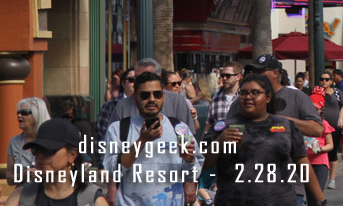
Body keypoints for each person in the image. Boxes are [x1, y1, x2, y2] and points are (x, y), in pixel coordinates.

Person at [204, 73, 327, 206]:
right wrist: (220, 141)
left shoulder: (286, 126)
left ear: (268, 97)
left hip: (279, 201)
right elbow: (203, 163)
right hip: (233, 200)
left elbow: (302, 164)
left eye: (255, 92)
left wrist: (321, 200)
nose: (248, 97)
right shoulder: (223, 127)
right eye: (243, 93)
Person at [102, 70, 202, 206]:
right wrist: (142, 141)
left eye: (157, 94)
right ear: (135, 98)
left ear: (164, 96)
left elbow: (195, 167)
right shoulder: (119, 128)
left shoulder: (180, 128)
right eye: (145, 95)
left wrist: (190, 160)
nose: (152, 99)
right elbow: (113, 171)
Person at [5, 119, 108, 206]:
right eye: (36, 150)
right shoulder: (21, 198)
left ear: (72, 155)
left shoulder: (91, 200)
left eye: (49, 150)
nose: (40, 156)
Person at [110, 60, 196, 136]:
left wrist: (184, 148)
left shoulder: (177, 102)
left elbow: (188, 139)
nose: (151, 99)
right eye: (139, 78)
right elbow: (111, 147)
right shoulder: (122, 107)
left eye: (157, 94)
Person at [7, 97, 50, 186]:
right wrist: (25, 174)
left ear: (37, 115)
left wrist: (43, 173)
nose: (19, 115)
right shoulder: (14, 142)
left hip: (47, 193)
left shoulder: (51, 140)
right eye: (18, 113)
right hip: (22, 196)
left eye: (24, 113)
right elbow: (9, 179)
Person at [306, 89, 335, 200]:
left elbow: (330, 144)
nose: (313, 111)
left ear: (321, 109)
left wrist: (320, 149)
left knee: (317, 194)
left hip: (320, 162)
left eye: (316, 108)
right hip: (306, 161)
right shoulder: (305, 123)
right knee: (309, 194)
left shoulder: (324, 124)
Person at [317, 72, 343, 190]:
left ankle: (332, 179)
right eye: (322, 79)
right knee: (321, 152)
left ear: (331, 81)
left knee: (332, 153)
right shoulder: (316, 92)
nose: (324, 82)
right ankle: (320, 177)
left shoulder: (337, 93)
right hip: (319, 127)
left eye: (327, 79)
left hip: (335, 127)